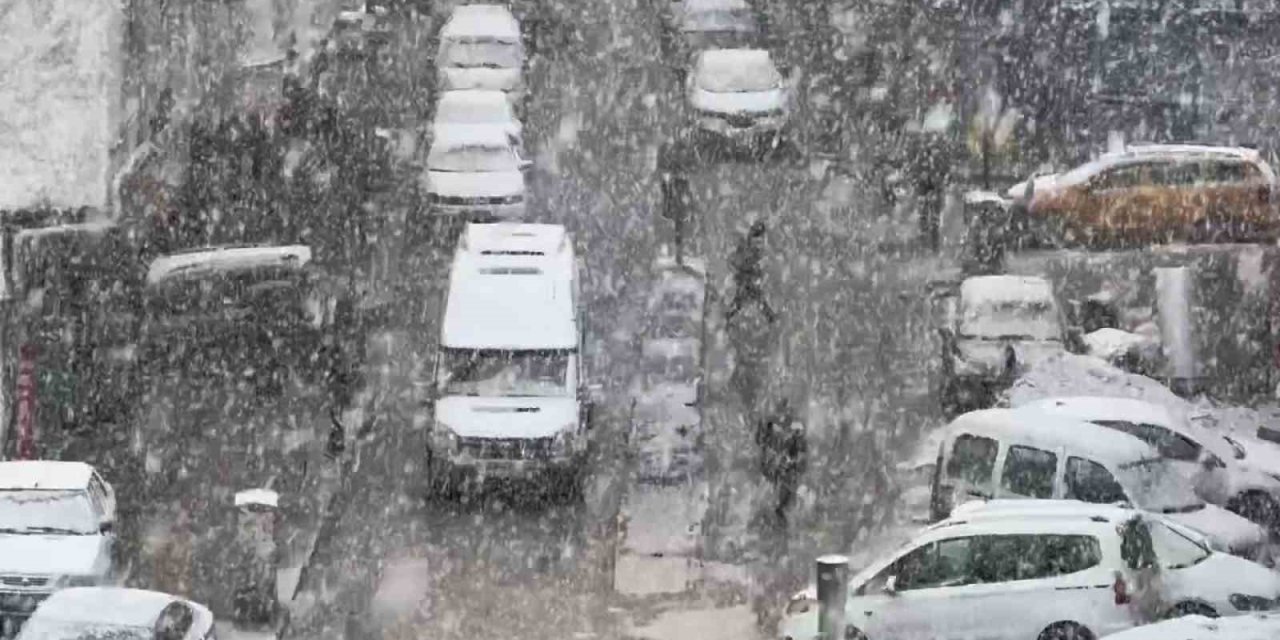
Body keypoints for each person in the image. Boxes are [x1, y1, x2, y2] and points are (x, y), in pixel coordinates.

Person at [725, 221, 776, 324]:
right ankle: (729, 315)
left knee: (755, 297)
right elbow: (732, 260)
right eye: (756, 241)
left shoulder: (761, 252)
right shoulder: (743, 248)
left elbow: (762, 266)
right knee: (743, 298)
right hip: (744, 278)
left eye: (760, 242)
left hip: (752, 280)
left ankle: (769, 316)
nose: (758, 245)